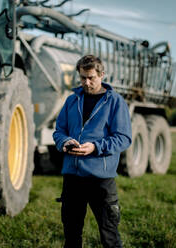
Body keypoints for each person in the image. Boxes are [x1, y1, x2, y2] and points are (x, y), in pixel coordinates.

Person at [53, 55, 132, 248]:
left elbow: (123, 138)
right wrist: (64, 142)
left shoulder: (115, 101)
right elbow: (59, 131)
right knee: (71, 236)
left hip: (101, 179)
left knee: (110, 236)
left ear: (101, 75)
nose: (86, 83)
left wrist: (96, 147)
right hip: (72, 177)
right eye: (82, 78)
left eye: (91, 78)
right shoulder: (72, 100)